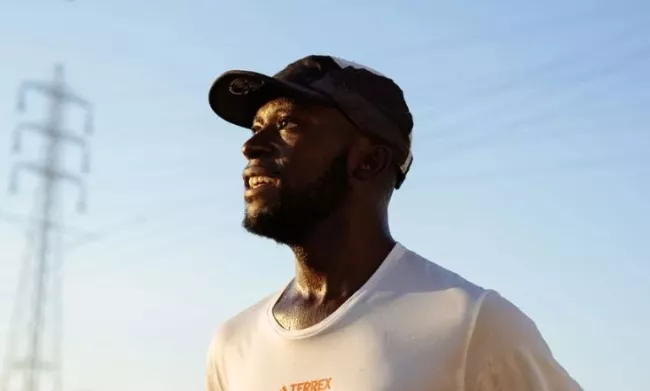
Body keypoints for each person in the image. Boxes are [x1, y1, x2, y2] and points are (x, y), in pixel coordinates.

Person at [205, 55, 583, 391]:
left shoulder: (471, 323)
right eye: (256, 127)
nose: (250, 146)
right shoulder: (233, 345)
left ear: (369, 161)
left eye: (287, 123)